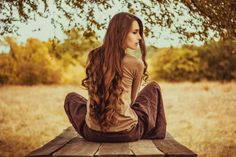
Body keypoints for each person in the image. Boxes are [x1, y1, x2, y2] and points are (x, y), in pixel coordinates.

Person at [64, 12, 167, 142]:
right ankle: (156, 133)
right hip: (127, 133)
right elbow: (132, 102)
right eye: (135, 32)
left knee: (71, 98)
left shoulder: (93, 56)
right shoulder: (136, 64)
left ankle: (98, 126)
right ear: (121, 33)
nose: (140, 37)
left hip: (92, 133)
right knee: (154, 87)